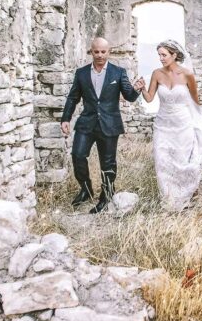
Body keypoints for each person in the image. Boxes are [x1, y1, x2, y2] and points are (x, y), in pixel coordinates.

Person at [134, 40, 202, 210]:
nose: (161, 58)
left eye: (164, 55)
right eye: (159, 55)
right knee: (162, 160)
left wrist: (198, 123)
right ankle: (169, 200)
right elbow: (150, 98)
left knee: (181, 161)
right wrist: (142, 89)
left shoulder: (187, 75)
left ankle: (186, 195)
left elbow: (196, 102)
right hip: (162, 124)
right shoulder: (157, 74)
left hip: (183, 124)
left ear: (174, 55)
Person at [60, 37, 141, 213]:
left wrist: (137, 89)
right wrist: (65, 118)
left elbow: (129, 96)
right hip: (86, 123)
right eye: (96, 51)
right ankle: (86, 189)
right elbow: (73, 97)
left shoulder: (118, 72)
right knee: (78, 155)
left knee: (108, 163)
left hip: (109, 124)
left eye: (103, 51)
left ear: (108, 52)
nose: (99, 55)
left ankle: (106, 195)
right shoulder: (81, 73)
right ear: (91, 52)